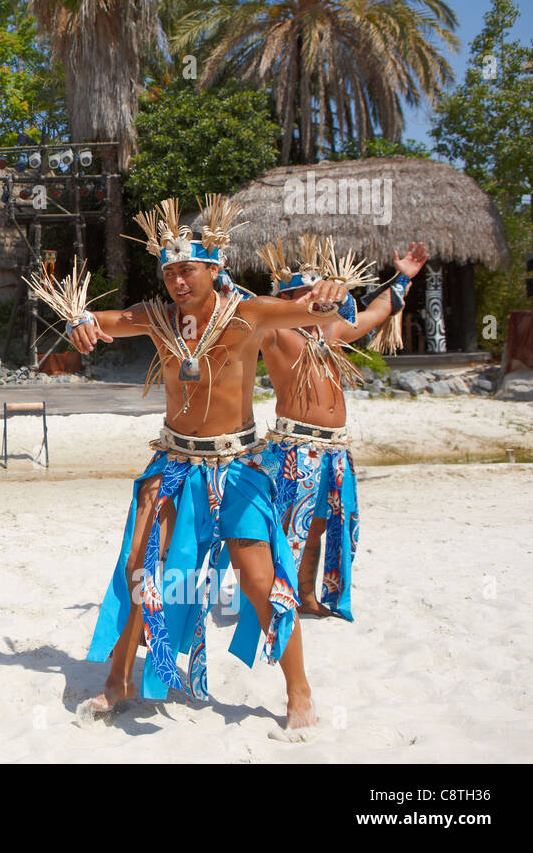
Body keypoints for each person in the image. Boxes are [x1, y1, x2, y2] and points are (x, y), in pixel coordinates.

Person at [57, 196, 349, 733]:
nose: (177, 281)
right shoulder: (156, 318)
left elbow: (314, 311)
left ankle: (299, 690)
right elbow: (101, 321)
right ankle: (118, 681)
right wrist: (79, 325)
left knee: (260, 579)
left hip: (237, 468)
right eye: (168, 272)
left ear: (214, 268)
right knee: (144, 573)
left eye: (187, 270)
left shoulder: (248, 314)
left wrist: (331, 294)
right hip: (176, 465)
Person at [259, 237, 428, 619]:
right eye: (299, 295)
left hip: (334, 450)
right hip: (294, 447)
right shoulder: (273, 332)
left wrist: (400, 280)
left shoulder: (331, 332)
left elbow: (374, 313)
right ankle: (271, 598)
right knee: (287, 529)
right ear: (285, 300)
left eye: (313, 293)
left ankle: (305, 596)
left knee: (318, 526)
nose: (309, 301)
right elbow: (246, 307)